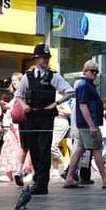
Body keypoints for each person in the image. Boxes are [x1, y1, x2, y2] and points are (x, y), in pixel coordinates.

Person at [16, 44, 74, 196]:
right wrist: (24, 105)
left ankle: (42, 183)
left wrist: (56, 104)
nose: (46, 61)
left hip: (46, 117)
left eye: (47, 58)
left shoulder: (53, 76)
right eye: (43, 58)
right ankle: (38, 180)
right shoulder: (28, 76)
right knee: (33, 148)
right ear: (36, 59)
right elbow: (18, 95)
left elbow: (69, 91)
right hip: (31, 116)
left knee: (44, 149)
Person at [64, 59, 104, 191]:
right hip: (88, 123)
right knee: (97, 147)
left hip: (86, 123)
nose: (94, 74)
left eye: (96, 72)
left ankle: (69, 177)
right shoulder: (84, 85)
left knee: (80, 149)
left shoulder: (87, 84)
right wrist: (92, 125)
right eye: (92, 71)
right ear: (85, 71)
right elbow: (83, 105)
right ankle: (105, 178)